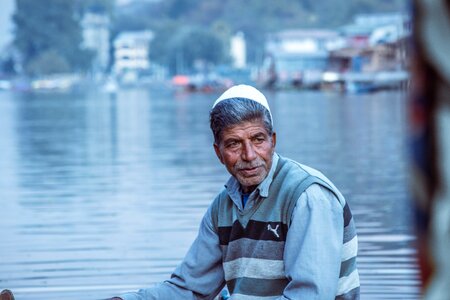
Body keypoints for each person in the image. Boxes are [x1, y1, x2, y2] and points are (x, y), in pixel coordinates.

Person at [110, 84, 360, 299]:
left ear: (273, 140)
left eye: (258, 140)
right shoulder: (223, 208)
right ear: (218, 153)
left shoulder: (307, 197)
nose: (249, 156)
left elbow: (310, 296)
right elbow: (188, 290)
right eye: (234, 144)